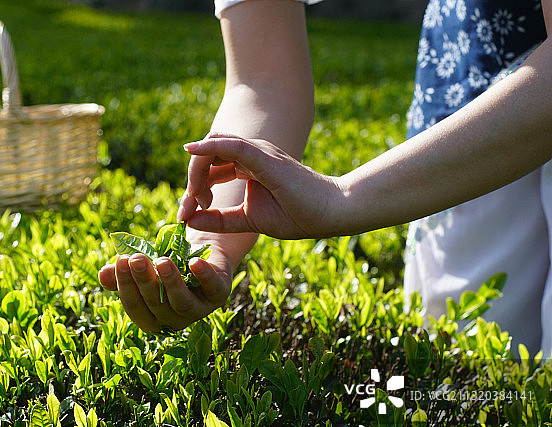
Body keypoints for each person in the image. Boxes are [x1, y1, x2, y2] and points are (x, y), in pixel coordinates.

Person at [98, 0, 552, 357]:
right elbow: (263, 81)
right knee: (474, 368)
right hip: (457, 143)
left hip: (511, 114)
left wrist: (342, 198)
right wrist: (210, 244)